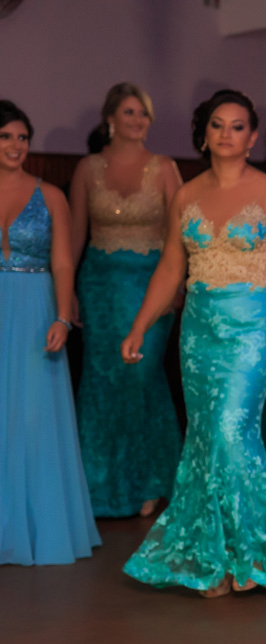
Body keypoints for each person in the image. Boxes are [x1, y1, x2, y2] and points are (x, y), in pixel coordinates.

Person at [120, 89, 266, 598]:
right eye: (217, 124)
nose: (227, 134)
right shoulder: (186, 195)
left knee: (231, 432)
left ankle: (253, 551)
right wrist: (140, 325)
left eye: (238, 126)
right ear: (204, 134)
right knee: (205, 439)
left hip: (254, 328)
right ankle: (214, 555)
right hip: (199, 330)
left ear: (252, 137)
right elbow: (170, 269)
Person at [69, 82, 183, 519]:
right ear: (110, 119)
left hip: (150, 284)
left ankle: (149, 480)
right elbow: (76, 234)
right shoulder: (87, 169)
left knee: (140, 375)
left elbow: (180, 235)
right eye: (130, 112)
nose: (139, 120)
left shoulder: (165, 168)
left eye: (144, 113)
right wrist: (68, 291)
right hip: (98, 285)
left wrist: (178, 287)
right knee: (101, 380)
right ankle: (97, 486)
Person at [0, 100, 101, 565]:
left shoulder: (51, 196)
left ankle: (35, 527)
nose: (16, 145)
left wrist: (61, 317)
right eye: (6, 137)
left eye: (22, 137)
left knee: (33, 416)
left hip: (35, 309)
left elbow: (62, 263)